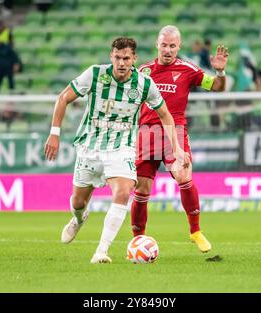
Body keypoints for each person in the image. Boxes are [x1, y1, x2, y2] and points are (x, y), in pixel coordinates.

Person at [44, 37, 190, 263]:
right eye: (118, 58)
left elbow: (166, 115)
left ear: (134, 59)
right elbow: (63, 98)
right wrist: (54, 132)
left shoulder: (144, 84)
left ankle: (101, 251)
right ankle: (79, 218)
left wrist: (178, 149)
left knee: (123, 192)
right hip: (90, 146)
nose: (122, 63)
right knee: (78, 202)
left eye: (127, 58)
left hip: (122, 147)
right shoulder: (94, 74)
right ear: (111, 56)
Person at [131, 25, 227, 253]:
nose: (167, 50)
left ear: (179, 47)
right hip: (147, 133)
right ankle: (138, 241)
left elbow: (216, 87)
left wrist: (220, 73)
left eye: (172, 46)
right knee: (142, 190)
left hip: (175, 132)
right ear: (157, 44)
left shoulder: (188, 70)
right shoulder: (142, 71)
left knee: (184, 175)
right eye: (164, 45)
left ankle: (195, 231)